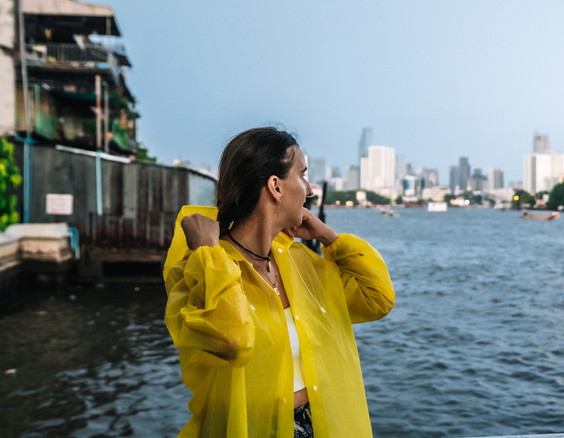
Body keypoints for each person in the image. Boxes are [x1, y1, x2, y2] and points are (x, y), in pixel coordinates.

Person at [163, 127, 395, 438]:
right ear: (275, 186)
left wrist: (331, 239)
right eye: (302, 175)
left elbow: (377, 299)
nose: (310, 190)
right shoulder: (204, 269)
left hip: (317, 426)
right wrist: (208, 252)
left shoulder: (298, 263)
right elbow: (232, 341)